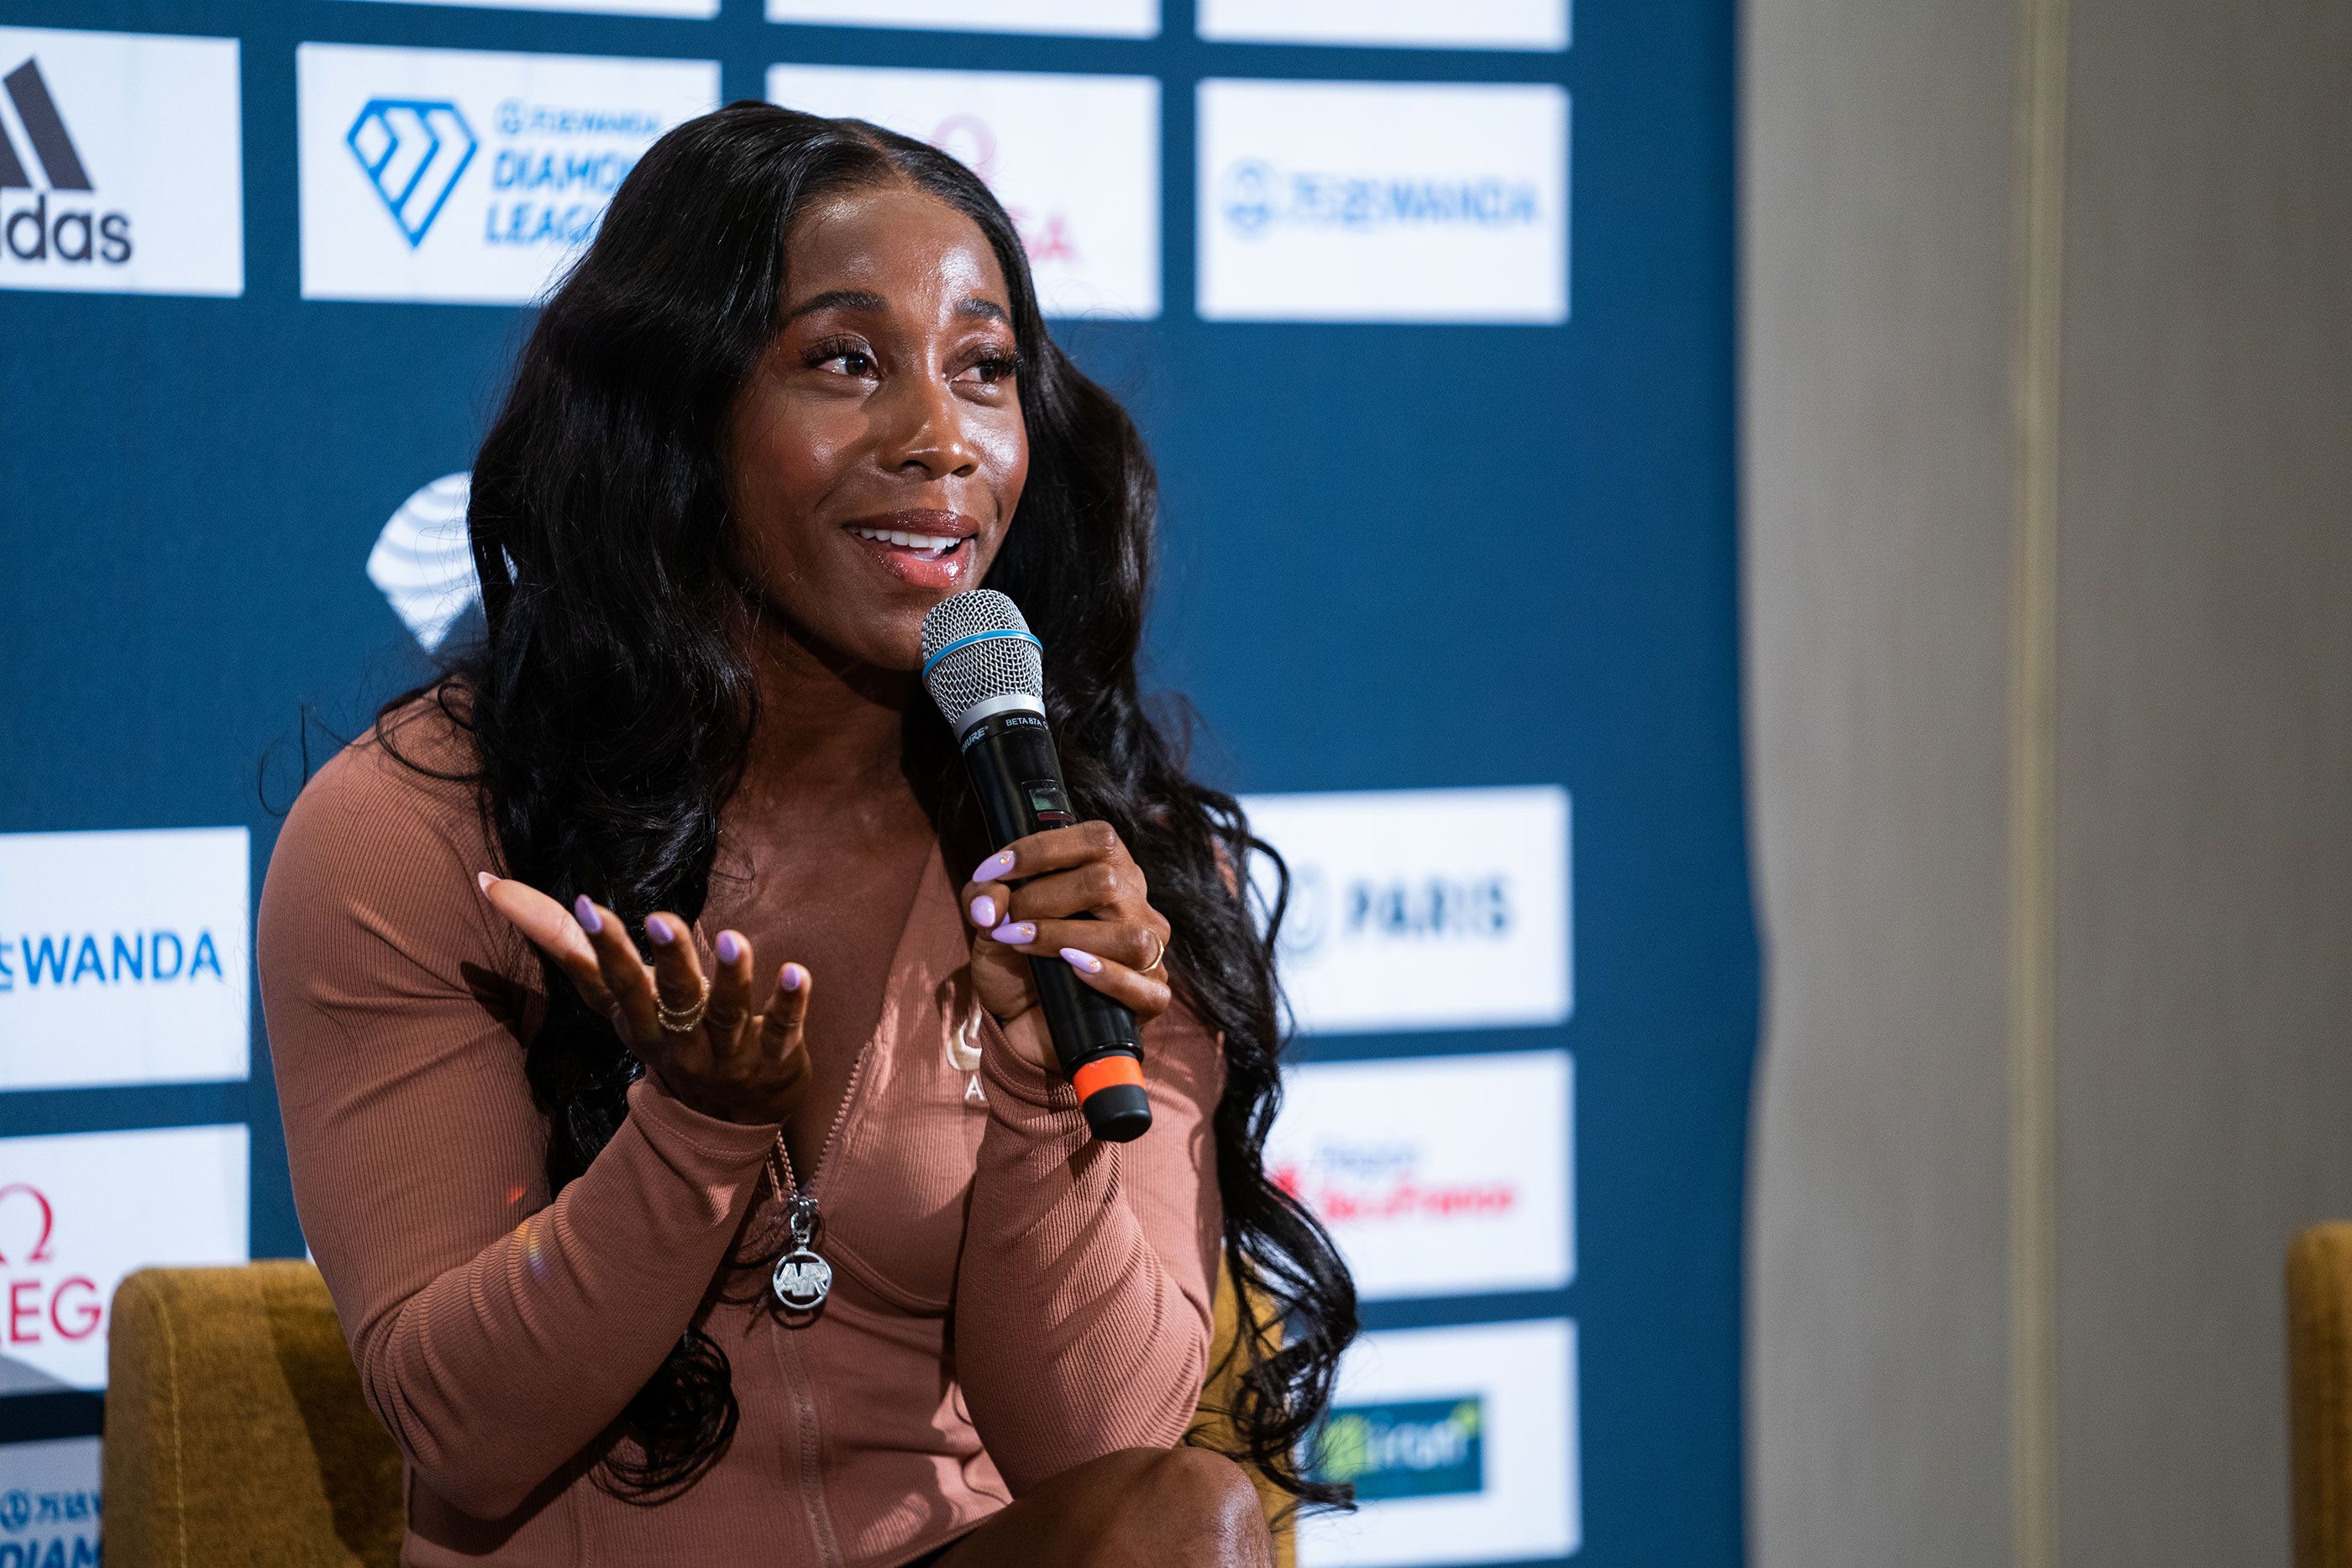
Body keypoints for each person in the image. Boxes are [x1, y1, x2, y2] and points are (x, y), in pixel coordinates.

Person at [256, 102, 1357, 1566]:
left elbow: (1102, 1459)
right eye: (846, 361)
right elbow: (462, 1429)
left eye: (983, 369)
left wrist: (1042, 1095)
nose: (941, 440)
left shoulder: (1098, 869)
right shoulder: (424, 830)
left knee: (1192, 1519)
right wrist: (696, 1131)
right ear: (676, 415)